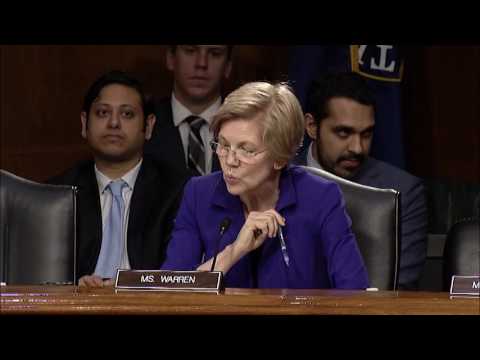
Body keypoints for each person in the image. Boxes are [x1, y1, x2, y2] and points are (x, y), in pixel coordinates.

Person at [161, 81, 369, 289]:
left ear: (280, 158)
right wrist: (234, 252)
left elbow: (354, 293)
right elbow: (168, 289)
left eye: (247, 150)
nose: (230, 161)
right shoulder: (199, 194)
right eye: (223, 145)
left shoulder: (321, 198)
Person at [49, 70, 187, 287]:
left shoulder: (178, 192)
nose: (114, 123)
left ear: (149, 126)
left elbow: (181, 276)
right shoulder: (57, 194)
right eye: (103, 113)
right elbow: (44, 279)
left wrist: (131, 285)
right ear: (84, 123)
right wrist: (73, 288)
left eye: (127, 114)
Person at [294, 72, 427, 290]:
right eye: (343, 133)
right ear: (311, 126)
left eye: (366, 134)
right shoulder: (277, 177)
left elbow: (397, 291)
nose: (357, 148)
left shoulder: (403, 191)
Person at [144, 45, 233, 177]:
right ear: (171, 59)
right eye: (190, 51)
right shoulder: (142, 123)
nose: (201, 63)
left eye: (215, 53)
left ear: (228, 67)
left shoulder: (250, 127)